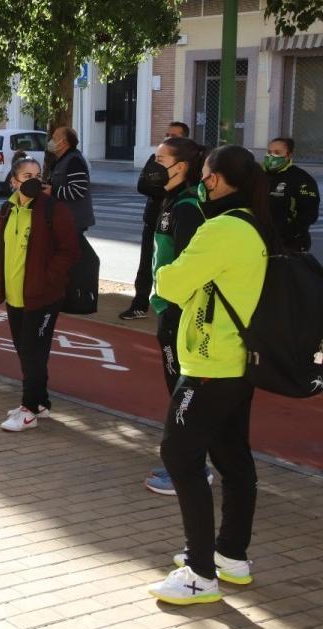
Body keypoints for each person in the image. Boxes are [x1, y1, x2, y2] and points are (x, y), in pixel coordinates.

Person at [147, 145, 275, 605]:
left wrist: (168, 276)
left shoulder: (221, 229)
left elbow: (172, 283)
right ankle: (230, 557)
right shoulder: (254, 225)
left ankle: (201, 572)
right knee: (233, 458)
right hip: (237, 361)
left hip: (210, 363)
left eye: (204, 175)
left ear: (216, 180)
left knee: (179, 455)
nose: (202, 183)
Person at [140, 137, 215, 496]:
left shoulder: (187, 208)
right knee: (177, 392)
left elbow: (189, 268)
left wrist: (174, 311)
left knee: (183, 395)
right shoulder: (171, 200)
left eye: (160, 159)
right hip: (168, 310)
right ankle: (189, 463)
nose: (152, 165)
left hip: (179, 314)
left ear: (181, 166)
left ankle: (192, 469)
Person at [0, 156, 80, 432]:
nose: (33, 180)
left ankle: (28, 409)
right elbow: (2, 248)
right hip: (15, 295)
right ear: (13, 181)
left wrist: (47, 280)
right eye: (26, 175)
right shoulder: (8, 210)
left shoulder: (53, 209)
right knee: (24, 351)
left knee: (33, 353)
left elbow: (69, 251)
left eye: (37, 174)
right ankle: (40, 401)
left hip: (42, 296)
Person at [121, 122, 190, 320]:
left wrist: (161, 188)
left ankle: (172, 307)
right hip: (153, 218)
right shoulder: (155, 158)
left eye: (173, 135)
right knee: (146, 263)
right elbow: (143, 184)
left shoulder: (190, 164)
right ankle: (140, 304)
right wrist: (164, 189)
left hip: (174, 221)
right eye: (166, 133)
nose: (168, 137)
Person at [264, 137, 319, 253]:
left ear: (288, 155)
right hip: (260, 240)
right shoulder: (259, 175)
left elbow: (309, 214)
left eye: (277, 153)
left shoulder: (301, 179)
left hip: (289, 245)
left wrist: (286, 234)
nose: (271, 156)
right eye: (269, 152)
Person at [43, 126, 95, 232]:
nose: (51, 142)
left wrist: (52, 190)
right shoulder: (62, 159)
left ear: (63, 143)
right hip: (65, 220)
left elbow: (78, 191)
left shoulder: (74, 160)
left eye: (54, 138)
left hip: (74, 222)